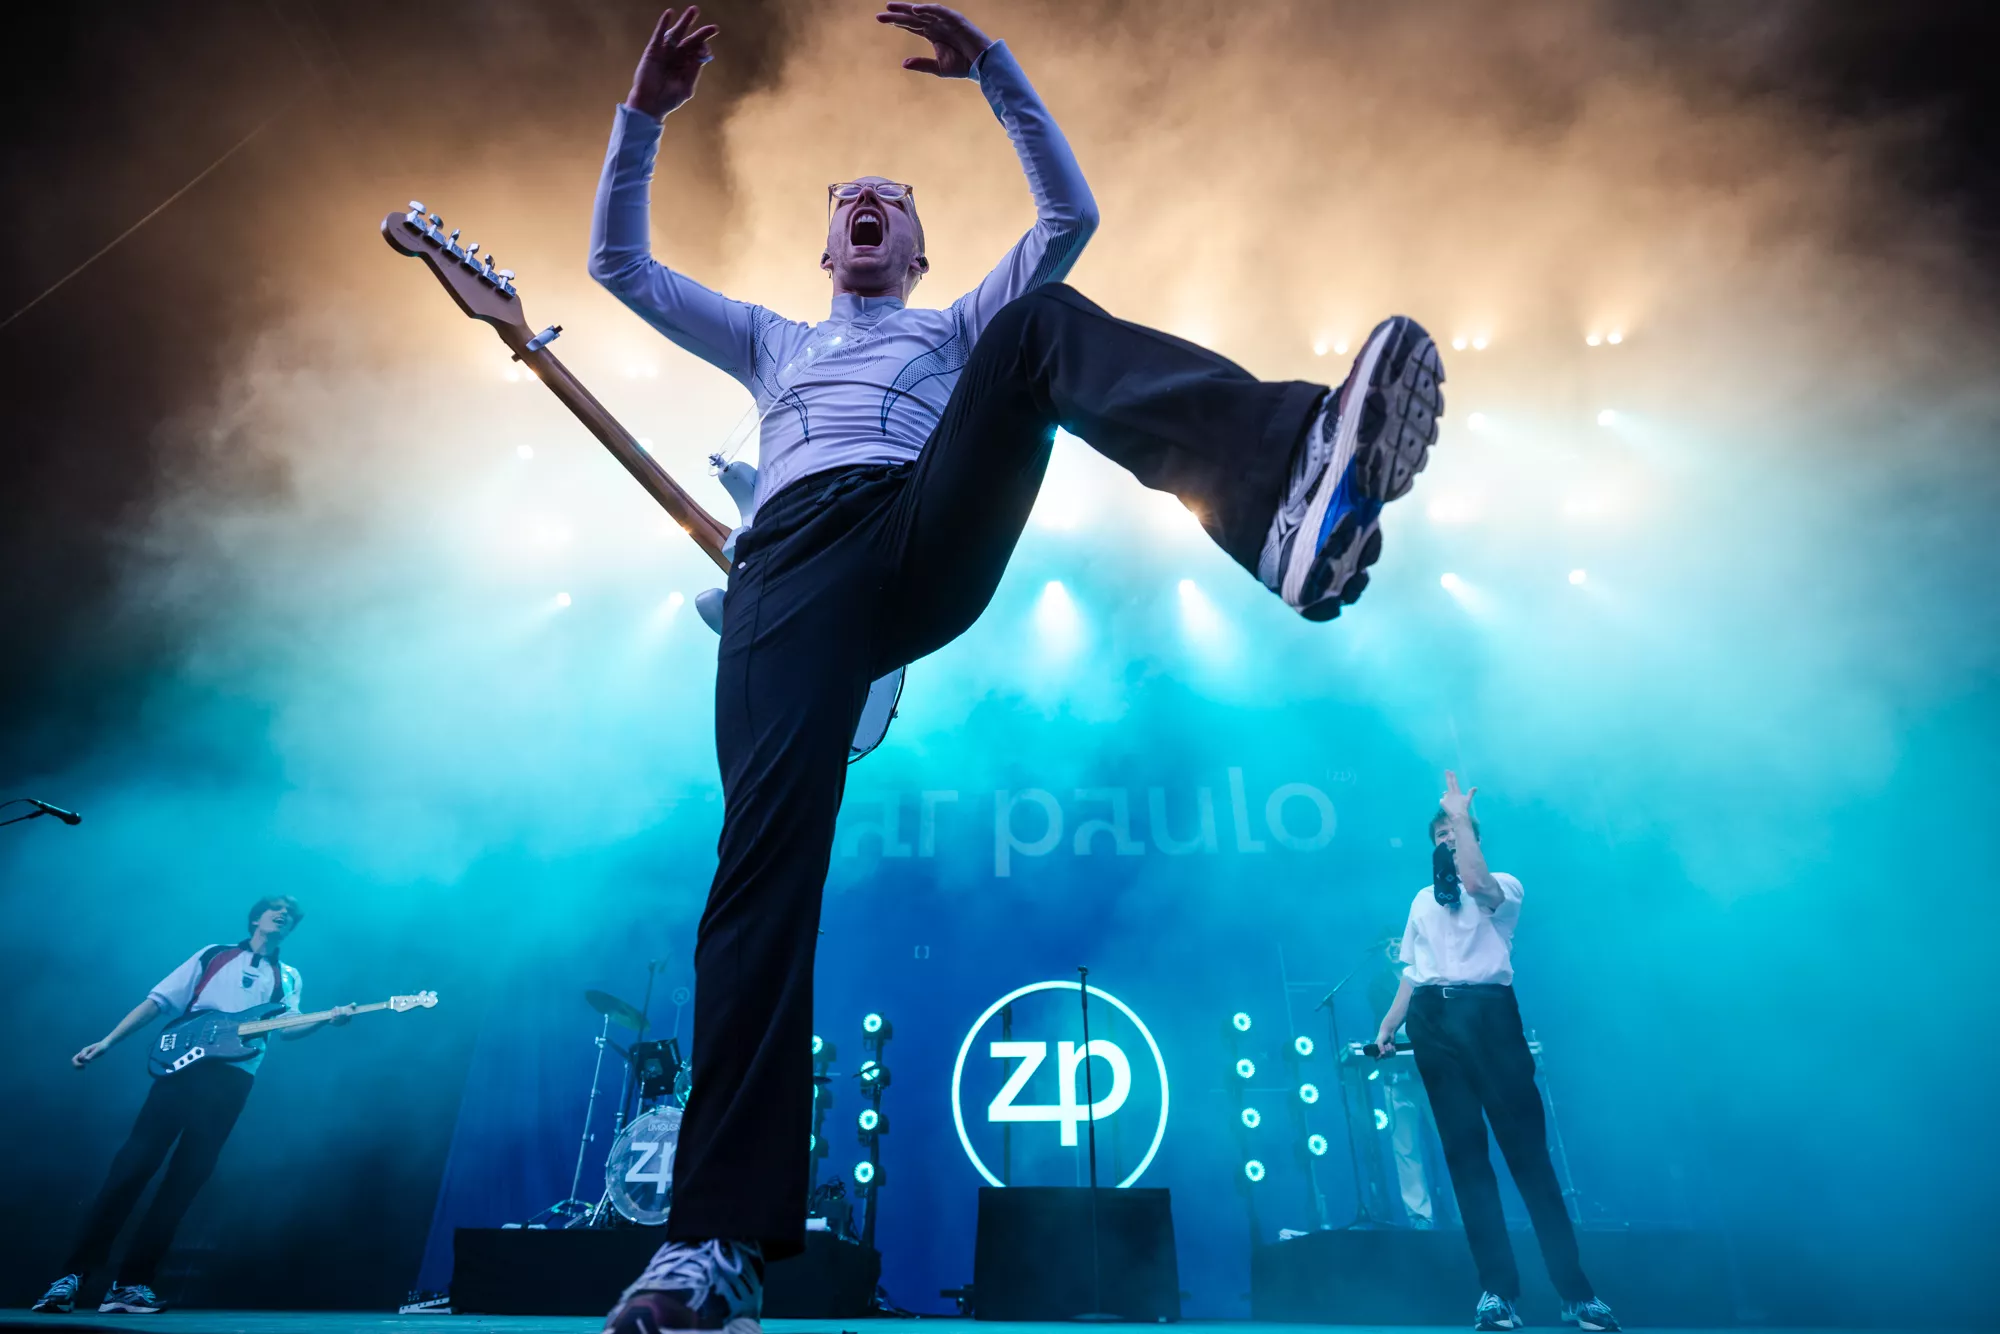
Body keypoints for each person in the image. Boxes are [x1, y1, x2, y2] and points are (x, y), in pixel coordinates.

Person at [589, 6, 1444, 1331]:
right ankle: (710, 1244)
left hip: (915, 529)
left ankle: (1281, 483)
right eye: (852, 200)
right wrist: (643, 116)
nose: (870, 205)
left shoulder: (951, 328)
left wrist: (994, 72)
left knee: (1041, 321)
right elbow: (619, 265)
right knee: (758, 872)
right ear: (827, 247)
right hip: (788, 578)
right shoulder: (771, 340)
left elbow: (1068, 216)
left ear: (917, 249)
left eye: (893, 201)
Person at [1373, 776, 1620, 1333]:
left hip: (1488, 1016)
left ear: (1475, 839)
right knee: (1466, 1161)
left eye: (1456, 833)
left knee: (1528, 1157)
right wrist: (1390, 1024)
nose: (1448, 840)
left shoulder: (1503, 886)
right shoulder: (1421, 901)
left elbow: (1478, 882)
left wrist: (1461, 819)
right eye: (1440, 836)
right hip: (1433, 1021)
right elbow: (1415, 971)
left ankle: (1576, 1293)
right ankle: (1498, 1294)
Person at [30, 896, 352, 1316]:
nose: (283, 914)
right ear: (256, 917)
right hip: (182, 1071)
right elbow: (158, 1001)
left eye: (291, 914)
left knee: (184, 1183)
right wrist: (108, 1041)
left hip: (233, 1082)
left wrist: (326, 1019)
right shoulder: (214, 955)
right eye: (276, 908)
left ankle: (130, 1286)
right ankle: (71, 1277)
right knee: (130, 1171)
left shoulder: (288, 976)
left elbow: (287, 1028)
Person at [1366, 934, 1436, 1228]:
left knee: (1455, 1142)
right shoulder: (1378, 985)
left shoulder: (1429, 972)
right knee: (1405, 1149)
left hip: (1435, 1074)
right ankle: (1420, 1216)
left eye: (1398, 940)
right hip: (1399, 1076)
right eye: (1387, 943)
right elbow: (1388, 1024)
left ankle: (1468, 1211)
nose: (1393, 947)